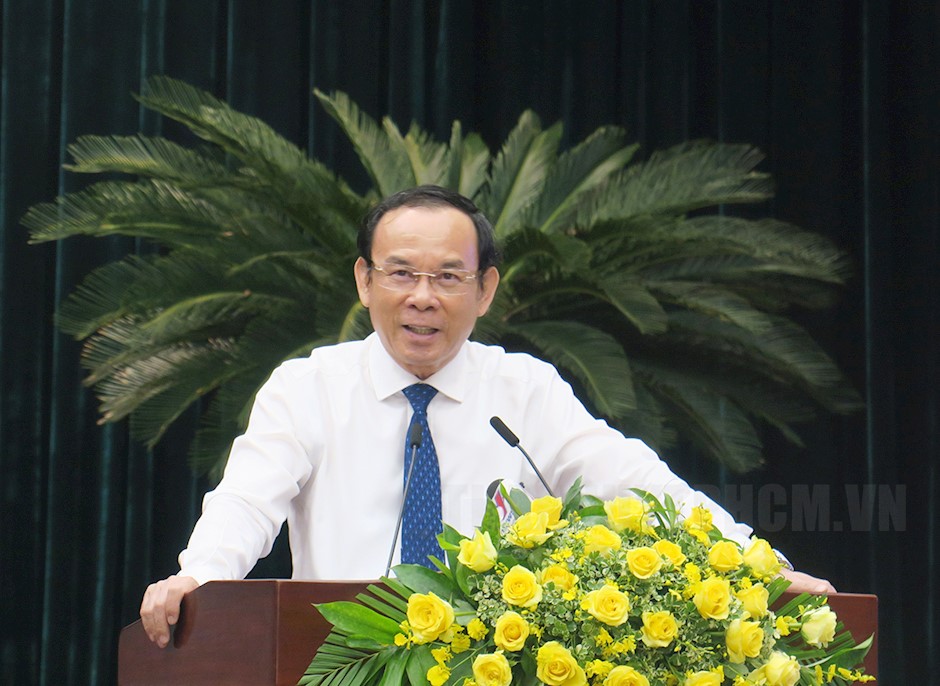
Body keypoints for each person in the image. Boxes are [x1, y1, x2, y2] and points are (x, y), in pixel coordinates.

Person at [140, 185, 835, 647]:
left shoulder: (524, 390)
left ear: (485, 290)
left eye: (449, 276)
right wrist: (199, 576)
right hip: (338, 662)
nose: (423, 297)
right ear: (364, 280)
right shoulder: (308, 387)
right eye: (401, 273)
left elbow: (636, 482)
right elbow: (246, 502)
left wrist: (760, 565)